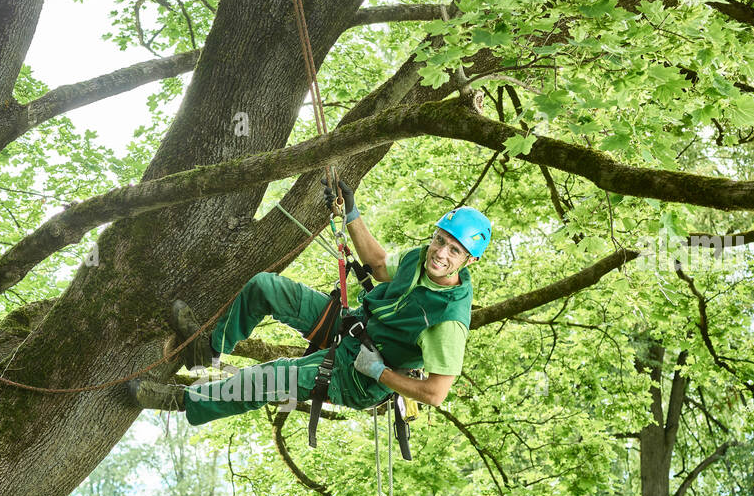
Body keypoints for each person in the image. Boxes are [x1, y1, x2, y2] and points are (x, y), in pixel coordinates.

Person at [128, 181, 492, 426]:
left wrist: (379, 373)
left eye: (453, 250)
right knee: (265, 288)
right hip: (352, 327)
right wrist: (351, 213)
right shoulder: (419, 258)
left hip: (359, 377)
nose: (440, 253)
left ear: (469, 261)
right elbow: (380, 266)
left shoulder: (448, 320)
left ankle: (183, 401)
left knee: (269, 377)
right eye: (440, 240)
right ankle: (207, 351)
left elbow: (435, 393)